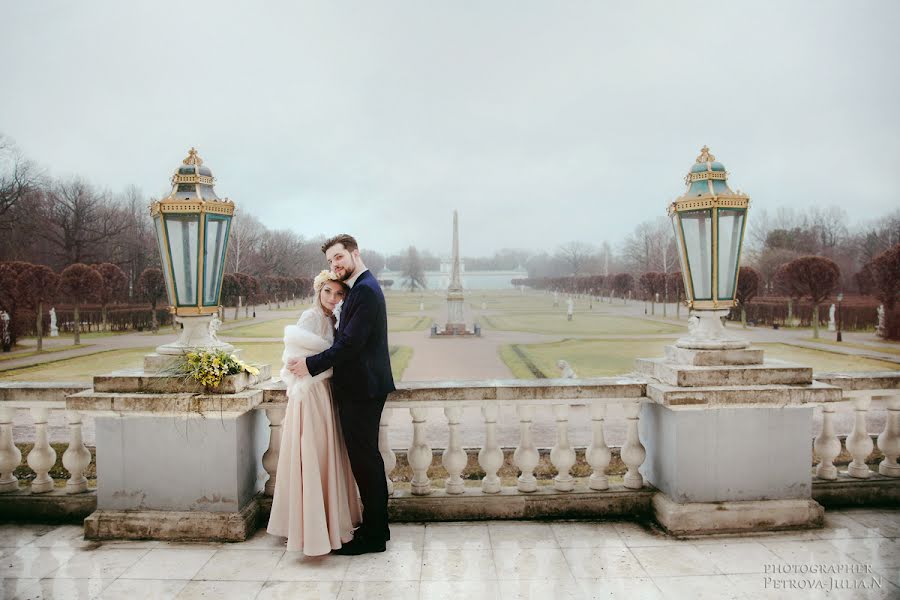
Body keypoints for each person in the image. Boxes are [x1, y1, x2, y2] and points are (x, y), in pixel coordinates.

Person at [288, 234, 395, 555]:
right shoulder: (362, 288)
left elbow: (350, 345)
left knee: (366, 463)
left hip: (363, 389)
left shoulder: (365, 290)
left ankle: (375, 536)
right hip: (360, 388)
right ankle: (378, 528)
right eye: (330, 261)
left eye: (338, 257)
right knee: (366, 461)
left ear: (354, 253)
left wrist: (311, 364)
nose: (335, 265)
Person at [267, 271, 362, 555]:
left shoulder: (333, 318)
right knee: (312, 453)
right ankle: (309, 528)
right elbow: (294, 358)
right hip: (310, 394)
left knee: (324, 454)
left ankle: (326, 523)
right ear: (318, 292)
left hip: (324, 391)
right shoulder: (310, 317)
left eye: (338, 294)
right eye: (327, 292)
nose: (332, 298)